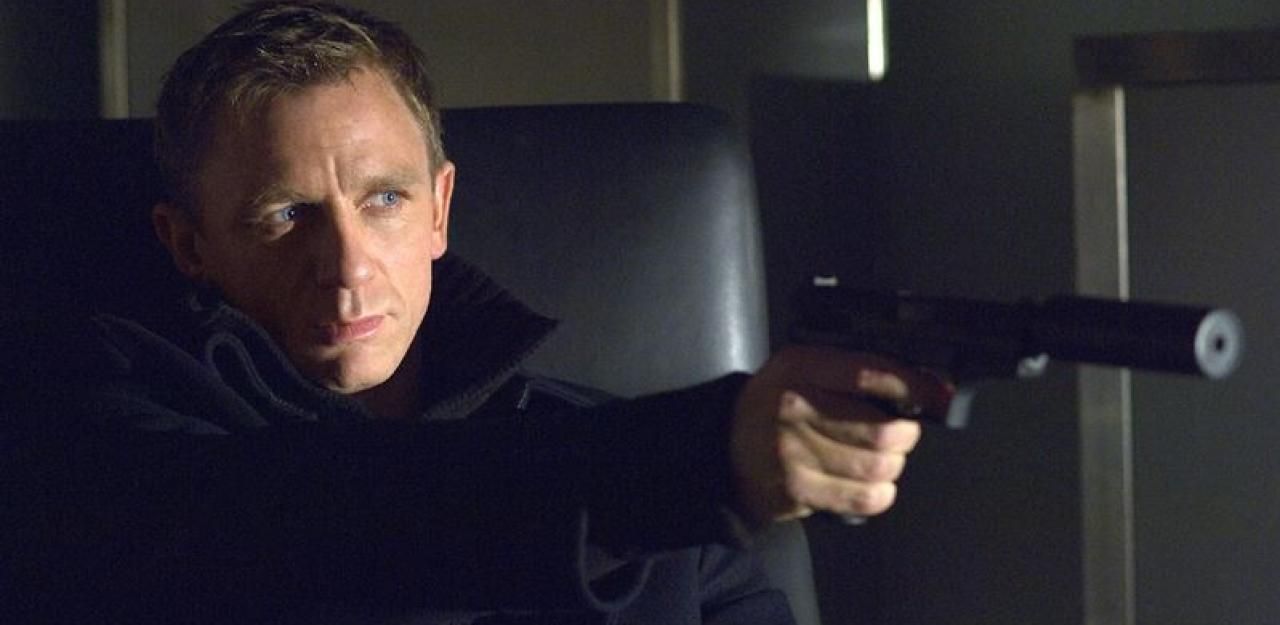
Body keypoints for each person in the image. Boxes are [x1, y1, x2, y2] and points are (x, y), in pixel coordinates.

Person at [0, 2, 946, 623]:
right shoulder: (93, 441)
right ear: (188, 244)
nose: (347, 266)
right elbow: (326, 517)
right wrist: (694, 457)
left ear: (440, 210)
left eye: (384, 198)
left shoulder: (611, 461)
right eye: (284, 215)